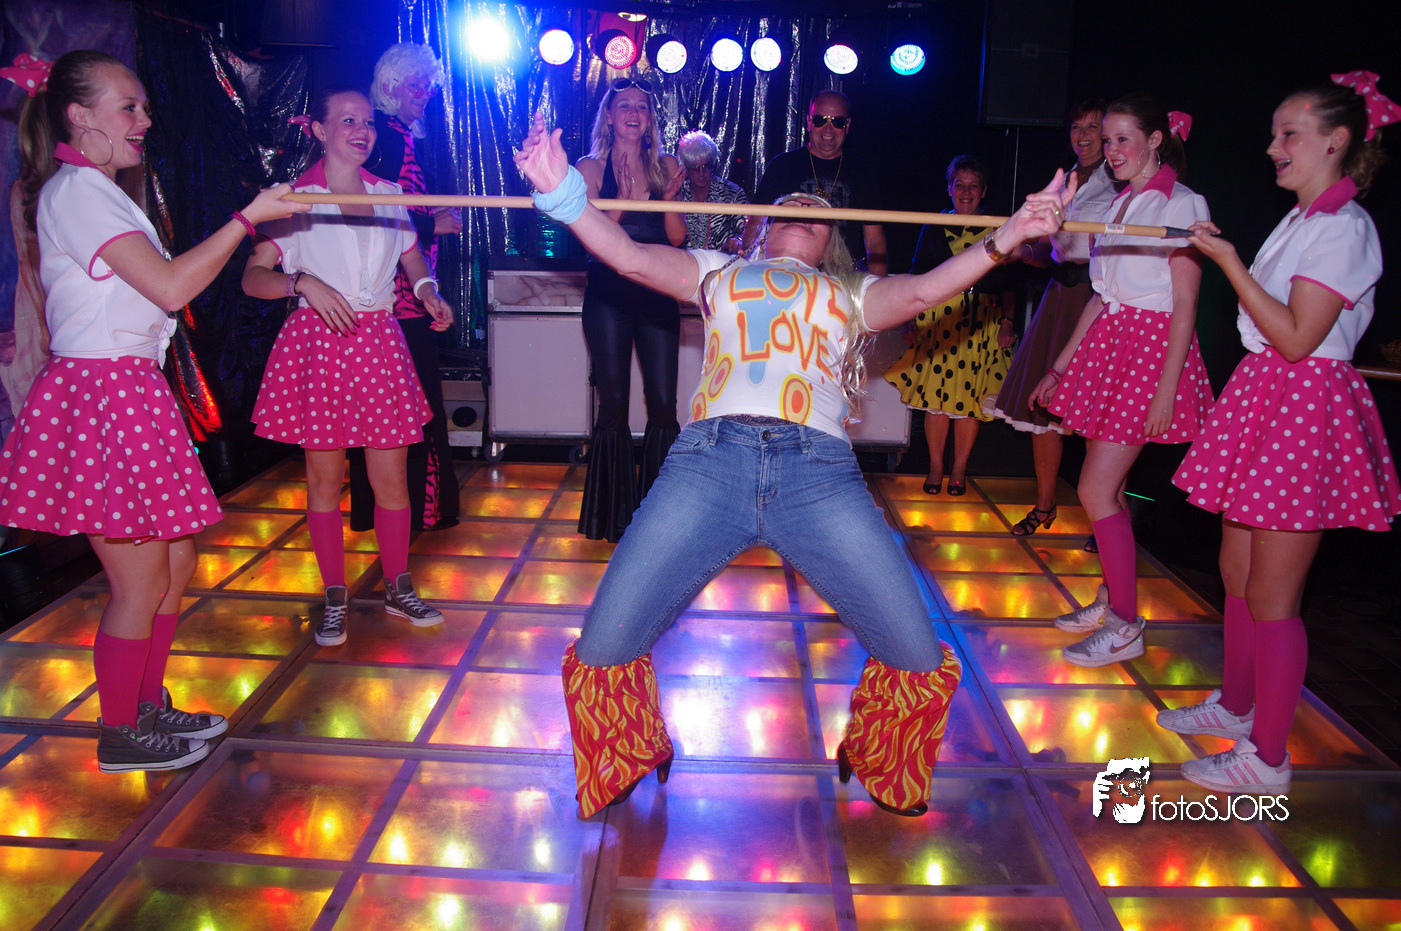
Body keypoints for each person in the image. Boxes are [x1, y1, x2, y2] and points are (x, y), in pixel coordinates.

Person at [515, 111, 1074, 819]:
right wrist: (562, 192)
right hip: (708, 466)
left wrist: (1009, 235)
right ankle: (631, 748)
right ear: (759, 229)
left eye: (818, 208)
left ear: (833, 239)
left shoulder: (851, 292)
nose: (805, 206)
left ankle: (874, 753)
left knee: (916, 655)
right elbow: (626, 255)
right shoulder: (718, 271)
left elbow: (926, 290)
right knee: (602, 648)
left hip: (819, 478)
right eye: (788, 204)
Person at [0, 50, 307, 771]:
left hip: (128, 389)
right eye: (128, 107)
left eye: (143, 105)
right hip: (103, 393)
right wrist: (246, 219)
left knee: (174, 560)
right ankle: (119, 730)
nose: (144, 119)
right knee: (139, 580)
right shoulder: (78, 192)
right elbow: (170, 288)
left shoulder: (99, 190)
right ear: (80, 116)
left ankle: (144, 704)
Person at [1160, 73, 1400, 794]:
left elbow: (1297, 337)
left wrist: (1227, 260)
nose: (1272, 147)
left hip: (1302, 401)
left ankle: (1267, 759)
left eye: (1287, 133)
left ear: (1336, 141)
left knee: (1273, 596)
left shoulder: (1344, 227)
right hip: (1267, 392)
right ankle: (1237, 705)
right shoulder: (1303, 219)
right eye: (1273, 134)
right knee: (1236, 573)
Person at [243, 88, 453, 646]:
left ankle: (398, 586)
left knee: (392, 478)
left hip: (380, 343)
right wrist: (300, 283)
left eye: (367, 122)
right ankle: (334, 596)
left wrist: (428, 291)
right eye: (348, 121)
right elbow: (252, 277)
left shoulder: (389, 194)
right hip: (320, 343)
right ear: (318, 129)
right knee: (323, 481)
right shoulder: (294, 199)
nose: (362, 131)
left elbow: (412, 258)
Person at [1031, 95, 1214, 667]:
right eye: (1106, 140)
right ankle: (1114, 598)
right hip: (1111, 342)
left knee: (1094, 489)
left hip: (1150, 350)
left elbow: (1185, 303)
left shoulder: (1182, 202)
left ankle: (1126, 623)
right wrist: (1060, 366)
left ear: (1155, 139)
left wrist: (1166, 389)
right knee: (1101, 486)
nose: (1110, 150)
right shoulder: (1120, 201)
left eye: (1122, 139)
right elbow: (1100, 297)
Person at [988, 99, 1121, 535]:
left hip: (1101, 297)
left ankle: (1108, 522)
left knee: (1100, 413)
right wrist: (1021, 251)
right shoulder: (1065, 181)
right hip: (1060, 294)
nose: (1083, 136)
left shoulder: (1121, 183)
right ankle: (1045, 506)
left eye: (1092, 127)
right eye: (1076, 127)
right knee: (1042, 407)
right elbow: (1050, 251)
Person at [347, 43, 462, 535]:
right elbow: (375, 214)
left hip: (407, 291)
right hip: (396, 299)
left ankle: (392, 512)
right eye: (417, 84)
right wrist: (435, 224)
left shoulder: (400, 137)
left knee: (394, 406)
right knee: (409, 404)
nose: (426, 93)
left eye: (429, 85)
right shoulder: (389, 140)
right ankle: (415, 511)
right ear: (390, 87)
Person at [575, 77, 685, 542]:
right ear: (609, 116)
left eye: (642, 106)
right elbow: (592, 240)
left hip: (657, 292)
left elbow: (677, 238)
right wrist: (625, 201)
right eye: (624, 106)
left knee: (662, 402)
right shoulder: (589, 167)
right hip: (608, 295)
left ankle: (663, 515)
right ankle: (613, 515)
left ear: (650, 119)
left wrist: (668, 199)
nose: (634, 113)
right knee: (614, 403)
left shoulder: (666, 165)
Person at [884, 156, 1016, 496]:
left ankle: (959, 469)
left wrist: (1007, 321)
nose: (966, 192)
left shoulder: (998, 228)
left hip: (980, 323)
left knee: (969, 401)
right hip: (939, 321)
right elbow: (917, 272)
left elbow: (1009, 283)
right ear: (949, 188)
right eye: (960, 185)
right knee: (936, 399)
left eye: (973, 186)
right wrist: (909, 318)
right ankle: (935, 467)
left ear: (983, 190)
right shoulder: (934, 225)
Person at [743, 90, 888, 275]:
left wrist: (878, 285)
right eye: (820, 120)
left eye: (837, 122)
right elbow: (755, 225)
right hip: (787, 272)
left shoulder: (862, 172)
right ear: (809, 122)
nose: (828, 129)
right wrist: (752, 270)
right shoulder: (782, 165)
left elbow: (875, 241)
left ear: (848, 125)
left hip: (844, 277)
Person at [669, 130, 748, 252]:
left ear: (713, 165)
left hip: (723, 262)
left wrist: (737, 241)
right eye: (695, 167)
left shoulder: (733, 193)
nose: (701, 173)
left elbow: (748, 232)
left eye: (706, 166)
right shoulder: (677, 193)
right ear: (685, 168)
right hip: (683, 261)